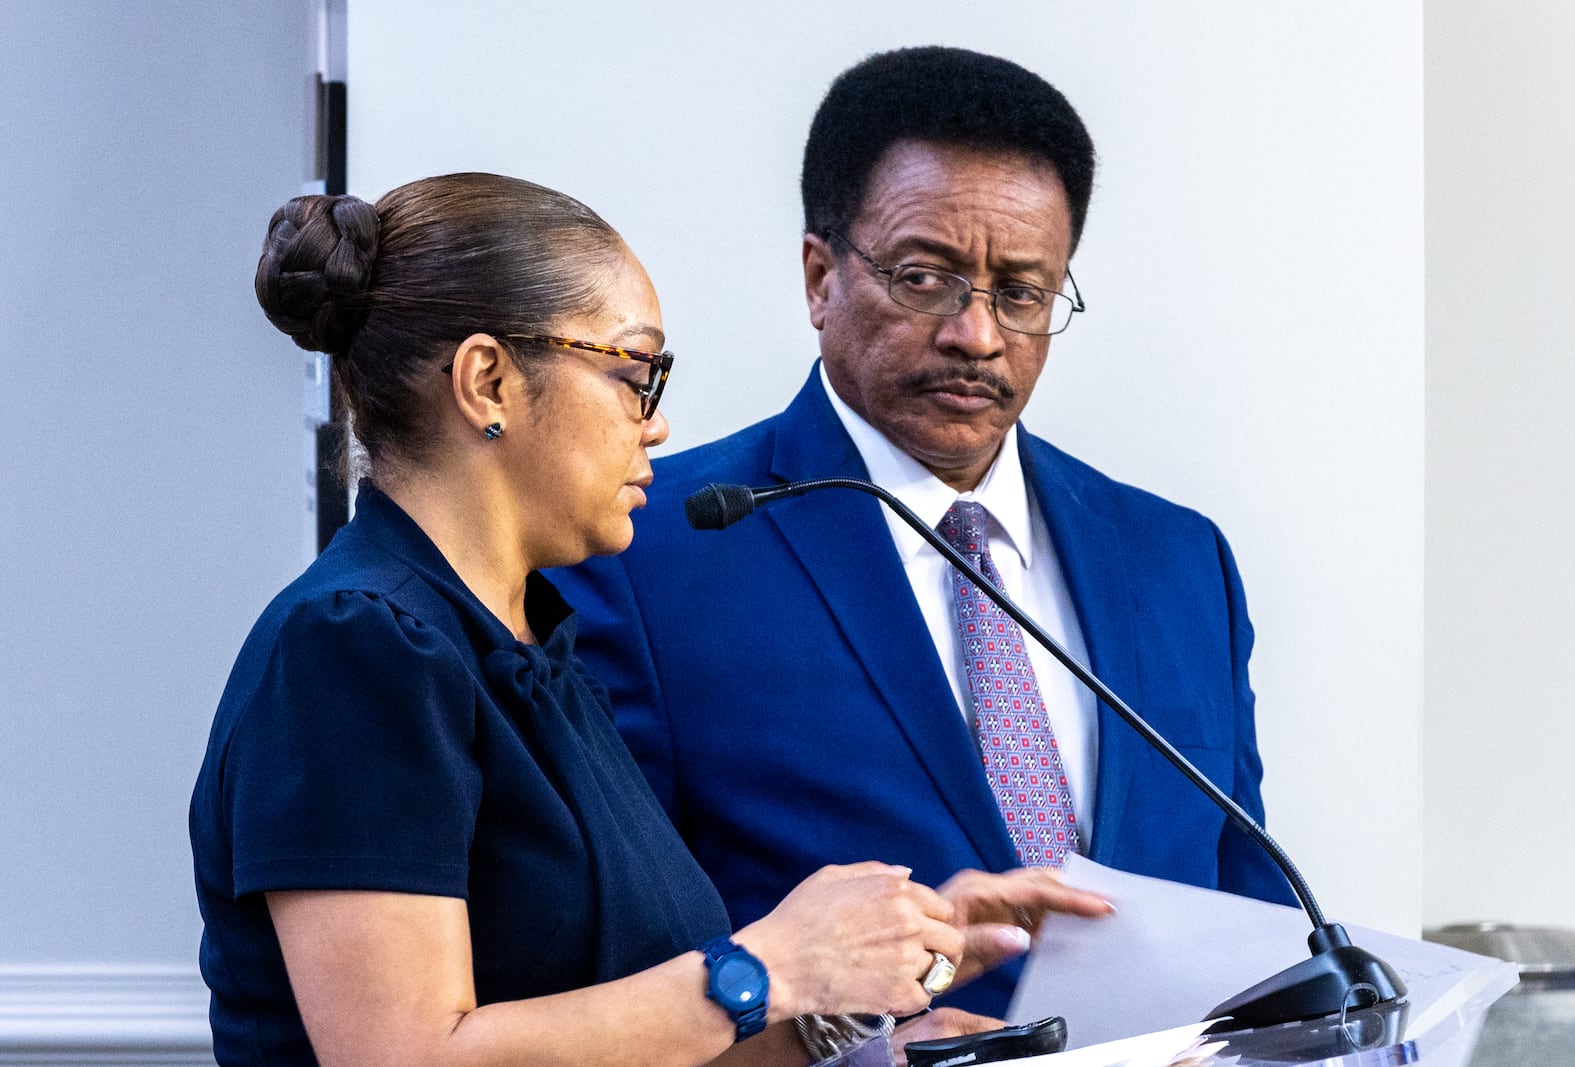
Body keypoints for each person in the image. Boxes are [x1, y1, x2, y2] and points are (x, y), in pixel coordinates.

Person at [189, 172, 1111, 1067]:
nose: (657, 425)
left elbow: (644, 1035)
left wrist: (861, 1003)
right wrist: (770, 966)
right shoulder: (355, 641)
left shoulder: (533, 652)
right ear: (488, 382)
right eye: (637, 372)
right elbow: (405, 1054)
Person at [550, 45, 1297, 1022]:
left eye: (1022, 293)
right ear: (820, 277)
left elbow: (1248, 907)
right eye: (924, 278)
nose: (976, 335)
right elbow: (609, 944)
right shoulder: (649, 550)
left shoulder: (1177, 561)